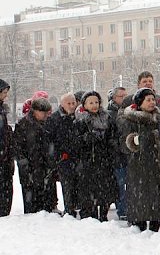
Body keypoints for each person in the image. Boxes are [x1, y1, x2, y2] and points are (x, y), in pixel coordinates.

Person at [119, 88, 160, 232]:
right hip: (138, 166)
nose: (152, 102)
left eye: (153, 99)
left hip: (156, 165)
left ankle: (155, 224)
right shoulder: (131, 119)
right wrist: (143, 138)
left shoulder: (158, 118)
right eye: (148, 100)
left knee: (155, 197)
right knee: (139, 197)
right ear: (140, 103)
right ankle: (138, 224)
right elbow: (126, 143)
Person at [73, 91, 118, 221]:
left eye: (96, 102)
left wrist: (110, 145)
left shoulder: (107, 118)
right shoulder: (80, 121)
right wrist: (84, 139)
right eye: (91, 103)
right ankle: (90, 215)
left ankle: (103, 214)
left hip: (104, 161)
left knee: (105, 189)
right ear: (84, 104)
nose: (94, 105)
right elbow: (74, 142)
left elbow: (113, 136)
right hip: (88, 162)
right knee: (89, 191)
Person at [13, 98, 54, 214]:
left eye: (47, 112)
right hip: (29, 168)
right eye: (43, 112)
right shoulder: (23, 125)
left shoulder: (48, 124)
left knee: (45, 203)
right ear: (35, 111)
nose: (46, 115)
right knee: (30, 201)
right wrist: (24, 163)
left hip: (44, 168)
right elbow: (17, 147)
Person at [46, 93, 78, 217]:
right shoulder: (54, 119)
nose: (71, 106)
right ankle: (69, 209)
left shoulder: (78, 116)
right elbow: (50, 140)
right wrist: (58, 154)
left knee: (77, 183)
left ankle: (75, 206)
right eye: (68, 103)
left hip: (77, 156)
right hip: (63, 158)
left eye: (73, 103)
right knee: (67, 185)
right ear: (62, 104)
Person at [107, 86, 128, 220]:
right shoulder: (110, 114)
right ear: (114, 98)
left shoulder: (128, 111)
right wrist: (119, 146)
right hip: (117, 155)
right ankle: (122, 210)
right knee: (120, 184)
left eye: (126, 95)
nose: (124, 98)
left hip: (126, 153)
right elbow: (111, 136)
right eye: (121, 96)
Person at [0, 79, 15, 217]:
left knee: (6, 187)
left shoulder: (2, 109)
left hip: (5, 155)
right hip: (2, 155)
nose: (6, 95)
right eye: (4, 92)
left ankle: (4, 212)